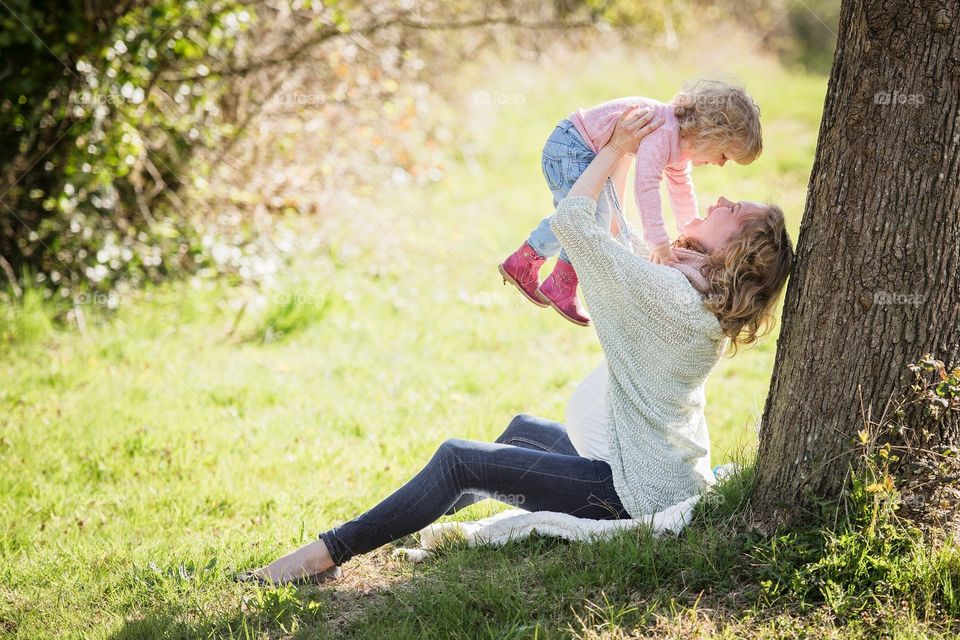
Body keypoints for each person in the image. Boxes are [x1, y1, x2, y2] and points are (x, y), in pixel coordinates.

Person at [237, 106, 792, 587]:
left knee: (459, 459)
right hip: (645, 465)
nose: (721, 198)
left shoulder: (671, 297)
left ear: (737, 253)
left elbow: (575, 222)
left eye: (735, 210)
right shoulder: (694, 294)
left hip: (630, 490)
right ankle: (397, 523)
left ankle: (324, 555)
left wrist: (617, 148)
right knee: (520, 431)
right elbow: (626, 241)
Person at [499, 79, 762, 326]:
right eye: (724, 155)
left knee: (584, 215)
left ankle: (526, 262)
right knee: (586, 217)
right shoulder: (664, 131)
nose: (720, 163)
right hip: (571, 147)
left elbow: (681, 188)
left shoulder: (680, 144)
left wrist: (689, 228)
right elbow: (646, 186)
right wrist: (658, 242)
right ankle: (559, 282)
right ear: (710, 134)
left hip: (578, 148)